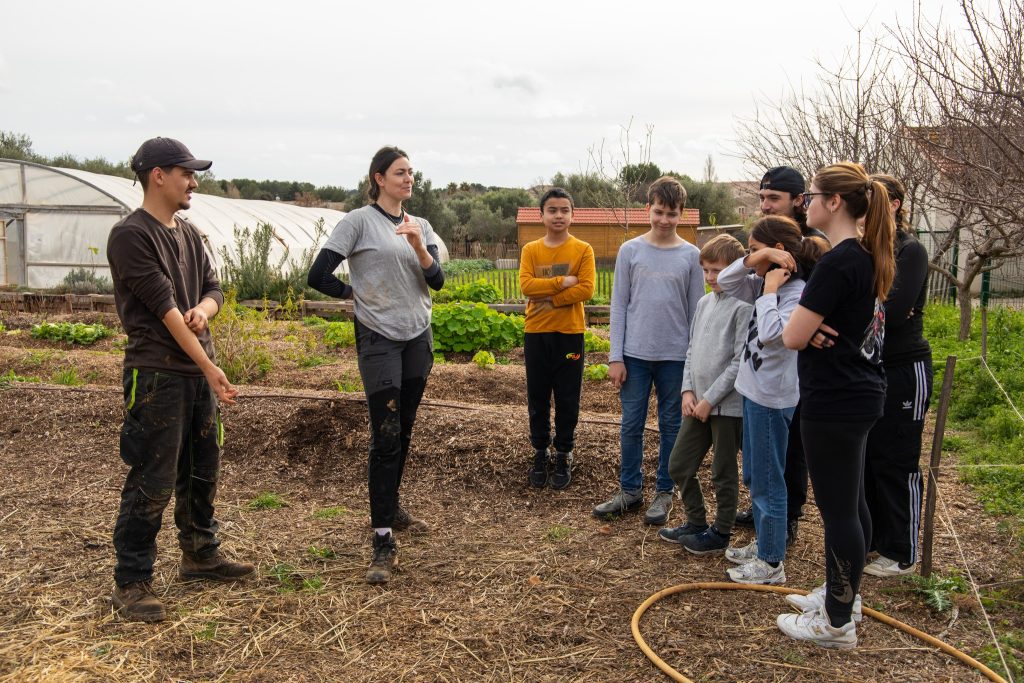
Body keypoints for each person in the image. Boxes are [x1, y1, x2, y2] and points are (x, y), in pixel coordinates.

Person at [107, 137, 252, 623]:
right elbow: (164, 309)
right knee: (153, 476)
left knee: (201, 467)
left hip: (194, 370)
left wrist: (205, 308)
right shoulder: (131, 235)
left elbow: (212, 289)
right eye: (187, 173)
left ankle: (199, 554)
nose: (194, 182)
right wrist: (211, 369)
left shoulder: (188, 233)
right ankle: (131, 579)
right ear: (158, 176)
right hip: (157, 375)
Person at [307, 146, 444, 584]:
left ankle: (391, 504)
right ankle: (382, 539)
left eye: (412, 173)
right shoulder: (358, 222)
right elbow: (319, 274)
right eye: (400, 173)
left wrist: (420, 247)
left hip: (417, 338)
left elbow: (437, 280)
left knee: (402, 429)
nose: (408, 179)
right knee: (384, 435)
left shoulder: (420, 225)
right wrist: (354, 295)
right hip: (379, 339)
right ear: (379, 178)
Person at [778, 161, 895, 649]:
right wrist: (814, 329)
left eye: (812, 195)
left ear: (835, 203)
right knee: (853, 503)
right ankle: (843, 596)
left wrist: (806, 329)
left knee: (839, 511)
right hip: (862, 392)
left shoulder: (838, 261)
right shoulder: (866, 256)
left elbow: (791, 335)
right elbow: (818, 328)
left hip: (835, 401)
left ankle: (836, 624)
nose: (805, 203)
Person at [716, 216, 826, 585]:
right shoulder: (763, 280)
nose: (751, 257)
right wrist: (757, 259)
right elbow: (725, 280)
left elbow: (772, 335)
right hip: (753, 393)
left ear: (780, 251)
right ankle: (765, 541)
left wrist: (768, 292)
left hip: (772, 399)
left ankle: (771, 561)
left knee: (767, 481)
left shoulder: (797, 294)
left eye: (754, 249)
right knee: (755, 474)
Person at [592, 176, 703, 526]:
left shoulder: (691, 255)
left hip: (675, 357)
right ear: (647, 209)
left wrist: (693, 365)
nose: (664, 220)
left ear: (681, 214)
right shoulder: (631, 251)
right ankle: (630, 490)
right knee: (631, 425)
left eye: (671, 213)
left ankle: (664, 492)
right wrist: (616, 356)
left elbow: (695, 312)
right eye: (658, 211)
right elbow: (619, 306)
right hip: (635, 356)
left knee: (672, 426)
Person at [734, 166, 825, 544]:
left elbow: (822, 296)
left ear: (798, 200)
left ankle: (786, 518)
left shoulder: (813, 245)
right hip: (761, 368)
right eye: (761, 198)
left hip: (797, 367)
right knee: (761, 453)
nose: (765, 205)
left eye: (773, 198)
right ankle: (766, 514)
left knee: (793, 448)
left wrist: (815, 325)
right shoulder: (765, 244)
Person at [658, 235, 751, 554]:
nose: (711, 277)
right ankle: (696, 522)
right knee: (679, 464)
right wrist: (688, 390)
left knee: (723, 471)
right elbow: (692, 350)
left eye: (717, 270)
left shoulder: (744, 306)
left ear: (735, 271)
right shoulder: (703, 303)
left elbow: (740, 360)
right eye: (706, 270)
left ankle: (721, 531)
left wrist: (711, 398)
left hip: (726, 407)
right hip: (696, 403)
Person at [862, 174, 933, 577]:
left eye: (878, 199)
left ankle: (902, 551)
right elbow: (875, 309)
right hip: (870, 367)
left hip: (905, 367)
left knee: (898, 458)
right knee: (870, 457)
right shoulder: (865, 249)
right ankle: (875, 540)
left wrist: (872, 308)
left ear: (896, 205)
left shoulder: (911, 250)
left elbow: (892, 308)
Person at [520, 188, 596, 489]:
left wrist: (548, 294)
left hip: (570, 334)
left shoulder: (583, 249)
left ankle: (564, 452)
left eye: (564, 210)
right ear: (541, 216)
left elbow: (587, 289)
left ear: (573, 215)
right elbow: (527, 285)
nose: (558, 215)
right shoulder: (531, 250)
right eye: (552, 210)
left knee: (567, 397)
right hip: (536, 332)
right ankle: (540, 451)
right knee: (537, 396)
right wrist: (562, 282)